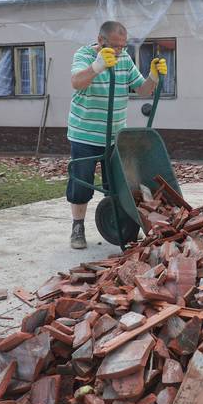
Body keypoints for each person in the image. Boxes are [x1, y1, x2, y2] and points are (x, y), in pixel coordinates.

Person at [66, 20, 167, 249]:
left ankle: (117, 223)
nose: (121, 50)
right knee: (81, 184)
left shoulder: (124, 59)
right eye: (115, 45)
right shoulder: (83, 55)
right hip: (85, 134)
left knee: (118, 184)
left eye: (124, 46)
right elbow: (76, 82)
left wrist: (153, 76)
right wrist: (97, 66)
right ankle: (77, 228)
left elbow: (142, 90)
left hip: (115, 137)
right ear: (100, 40)